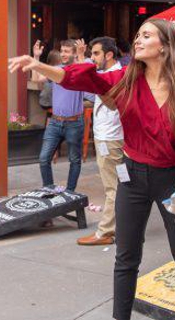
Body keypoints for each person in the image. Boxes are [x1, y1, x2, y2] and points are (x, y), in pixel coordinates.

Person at [9, 19, 175, 320]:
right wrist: (39, 67)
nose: (138, 41)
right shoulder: (126, 78)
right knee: (126, 257)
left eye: (146, 36)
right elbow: (84, 79)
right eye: (138, 35)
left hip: (172, 180)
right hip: (132, 177)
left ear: (165, 46)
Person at [75, 37, 124, 246]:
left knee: (113, 188)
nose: (92, 58)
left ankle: (106, 231)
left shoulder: (115, 76)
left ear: (109, 55)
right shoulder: (107, 74)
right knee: (120, 185)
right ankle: (125, 229)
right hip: (111, 138)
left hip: (110, 140)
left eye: (96, 54)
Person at [32, 39, 89, 193]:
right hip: (55, 122)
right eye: (62, 51)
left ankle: (69, 193)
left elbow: (87, 74)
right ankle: (50, 191)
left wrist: (81, 55)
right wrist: (36, 57)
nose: (63, 54)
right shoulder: (56, 69)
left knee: (75, 160)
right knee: (44, 159)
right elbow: (36, 79)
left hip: (74, 123)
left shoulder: (79, 69)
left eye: (67, 51)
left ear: (74, 53)